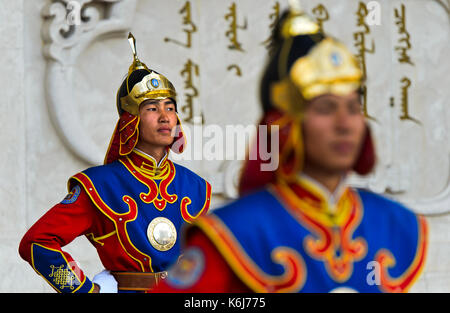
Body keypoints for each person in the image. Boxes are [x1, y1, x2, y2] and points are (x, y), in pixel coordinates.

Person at [152, 5, 428, 293]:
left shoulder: (394, 224)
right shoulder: (238, 231)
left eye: (353, 107)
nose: (344, 124)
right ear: (285, 124)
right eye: (326, 108)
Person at [19, 33, 212, 293]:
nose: (165, 117)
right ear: (130, 121)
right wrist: (84, 290)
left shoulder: (196, 187)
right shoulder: (99, 185)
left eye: (170, 107)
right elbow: (37, 242)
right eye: (152, 109)